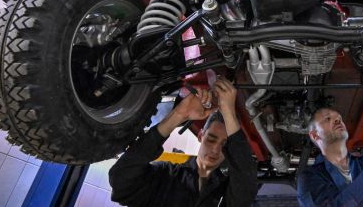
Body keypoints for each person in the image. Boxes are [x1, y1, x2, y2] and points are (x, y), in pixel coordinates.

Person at [109, 77, 258, 207]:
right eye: (211, 139)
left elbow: (246, 181)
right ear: (201, 135)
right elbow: (121, 180)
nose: (215, 149)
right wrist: (179, 115)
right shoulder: (165, 176)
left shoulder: (226, 190)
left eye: (225, 145)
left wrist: (228, 112)